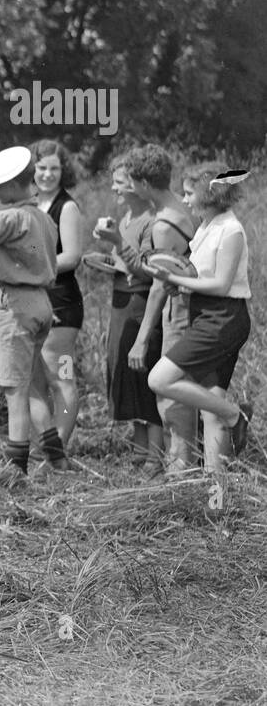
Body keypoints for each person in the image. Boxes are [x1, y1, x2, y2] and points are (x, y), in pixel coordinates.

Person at [0, 150, 65, 482]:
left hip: (17, 306)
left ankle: (16, 468)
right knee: (34, 385)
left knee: (14, 389)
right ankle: (56, 456)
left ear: (5, 189)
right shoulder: (43, 217)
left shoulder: (12, 217)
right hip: (42, 304)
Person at [147, 163, 253, 474]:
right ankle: (214, 494)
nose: (185, 198)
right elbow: (199, 274)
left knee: (159, 379)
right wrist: (176, 279)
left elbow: (221, 284)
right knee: (211, 408)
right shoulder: (207, 225)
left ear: (210, 195)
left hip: (223, 319)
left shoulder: (230, 230)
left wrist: (178, 281)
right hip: (206, 315)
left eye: (190, 193)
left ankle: (236, 415)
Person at [114, 145, 198, 472]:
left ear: (144, 184)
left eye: (132, 182)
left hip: (179, 312)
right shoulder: (185, 206)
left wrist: (141, 339)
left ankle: (179, 470)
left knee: (170, 394)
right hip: (196, 307)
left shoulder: (163, 225)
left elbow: (160, 285)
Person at [93, 158, 163, 468]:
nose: (114, 187)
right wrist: (104, 258)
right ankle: (139, 450)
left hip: (139, 301)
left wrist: (118, 244)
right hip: (119, 300)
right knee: (122, 369)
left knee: (143, 370)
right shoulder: (124, 218)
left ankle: (156, 455)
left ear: (138, 184)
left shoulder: (153, 221)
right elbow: (124, 264)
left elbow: (149, 272)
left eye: (120, 181)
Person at [30, 140, 84, 448]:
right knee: (33, 378)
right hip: (30, 302)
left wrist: (33, 267)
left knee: (60, 377)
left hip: (61, 304)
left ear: (64, 171)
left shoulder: (68, 207)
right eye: (41, 168)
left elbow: (72, 257)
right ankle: (46, 445)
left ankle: (58, 447)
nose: (47, 174)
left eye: (54, 168)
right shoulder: (28, 203)